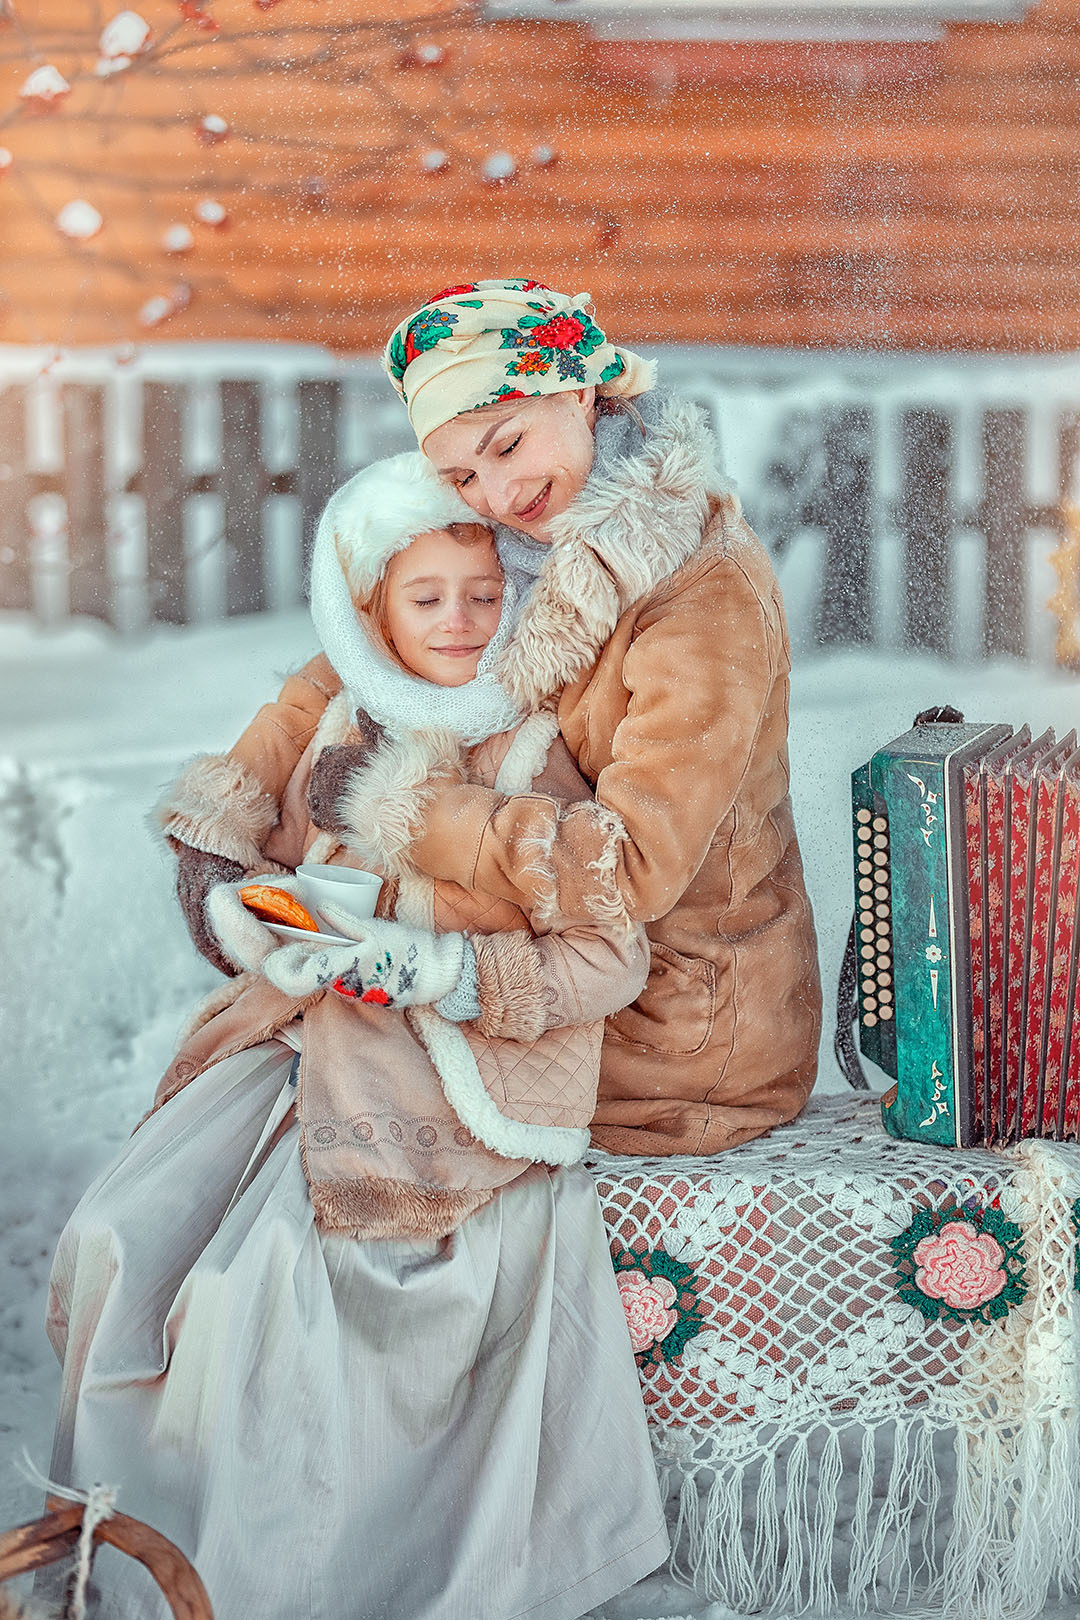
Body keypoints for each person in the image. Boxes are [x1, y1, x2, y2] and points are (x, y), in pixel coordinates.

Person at [43, 453, 668, 1620]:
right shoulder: (341, 724)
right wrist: (258, 923)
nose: (459, 623)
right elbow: (275, 878)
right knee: (121, 1232)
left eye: (484, 597)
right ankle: (131, 1553)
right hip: (306, 1046)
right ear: (375, 609)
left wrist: (443, 966)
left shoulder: (532, 758)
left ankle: (288, 1574)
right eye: (427, 598)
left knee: (271, 1289)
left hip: (441, 1085)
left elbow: (608, 955)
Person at [175, 278, 822, 1158]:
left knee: (313, 1111)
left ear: (583, 391)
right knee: (250, 1077)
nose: (497, 489)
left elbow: (629, 869)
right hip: (531, 965)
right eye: (463, 475)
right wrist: (223, 814)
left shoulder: (698, 595)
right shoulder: (533, 539)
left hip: (669, 1033)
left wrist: (402, 811)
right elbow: (364, 663)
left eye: (508, 443)